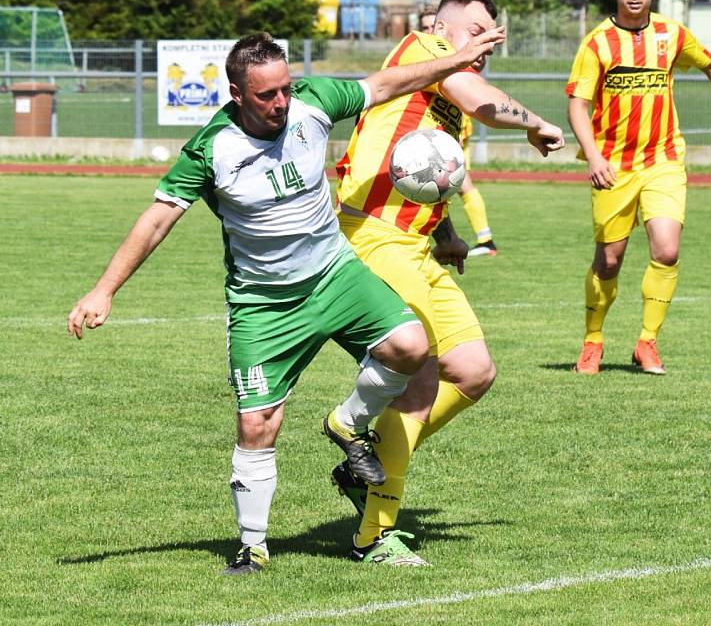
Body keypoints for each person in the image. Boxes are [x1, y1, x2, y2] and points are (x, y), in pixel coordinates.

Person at [66, 29, 506, 575]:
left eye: (285, 89)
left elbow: (387, 82)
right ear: (235, 93)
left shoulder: (313, 105)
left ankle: (348, 423)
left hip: (335, 273)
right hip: (264, 302)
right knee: (258, 424)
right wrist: (103, 290)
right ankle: (252, 547)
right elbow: (157, 219)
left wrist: (456, 61)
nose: (280, 103)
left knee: (411, 344)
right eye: (266, 95)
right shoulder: (211, 151)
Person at [332, 0, 565, 565]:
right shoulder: (427, 51)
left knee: (475, 372)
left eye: (494, 34)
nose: (488, 43)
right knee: (418, 383)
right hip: (374, 236)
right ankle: (374, 536)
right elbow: (484, 102)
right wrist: (534, 124)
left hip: (416, 245)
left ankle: (369, 459)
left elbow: (427, 173)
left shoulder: (448, 93)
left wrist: (447, 236)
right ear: (440, 27)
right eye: (479, 30)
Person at [566, 0, 711, 376]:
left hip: (664, 159)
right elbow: (578, 105)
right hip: (613, 166)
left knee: (667, 251)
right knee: (609, 262)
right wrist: (593, 156)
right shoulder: (597, 43)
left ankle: (647, 342)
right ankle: (593, 340)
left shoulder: (672, 34)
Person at [419, 4, 498, 257]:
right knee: (446, 184)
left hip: (452, 128)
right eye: (424, 27)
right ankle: (476, 239)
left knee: (455, 182)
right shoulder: (417, 56)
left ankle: (484, 239)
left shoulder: (452, 63)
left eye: (433, 26)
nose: (429, 32)